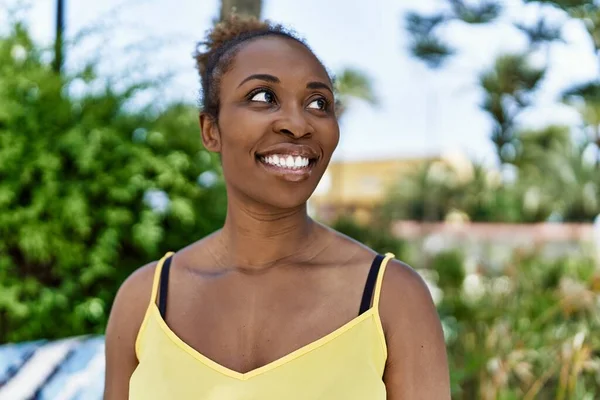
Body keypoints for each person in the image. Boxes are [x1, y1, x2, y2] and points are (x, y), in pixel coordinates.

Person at [104, 15, 450, 400]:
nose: (298, 124)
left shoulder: (392, 299)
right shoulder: (145, 301)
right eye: (263, 97)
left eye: (318, 103)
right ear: (210, 130)